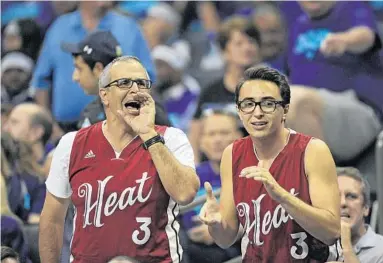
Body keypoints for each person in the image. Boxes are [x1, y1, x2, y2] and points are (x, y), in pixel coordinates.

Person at [39, 56, 200, 263]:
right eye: (124, 83)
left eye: (142, 83)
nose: (136, 90)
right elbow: (51, 219)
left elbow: (186, 193)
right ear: (104, 95)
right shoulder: (72, 144)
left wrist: (148, 134)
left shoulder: (171, 138)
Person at [199, 67, 342, 262]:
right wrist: (215, 224)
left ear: (285, 109)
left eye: (267, 104)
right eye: (248, 104)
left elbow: (331, 232)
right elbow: (225, 239)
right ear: (239, 112)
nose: (257, 113)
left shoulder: (313, 151)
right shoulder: (232, 154)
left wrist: (282, 196)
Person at [61, 30, 171, 129]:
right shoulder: (91, 111)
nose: (74, 77)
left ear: (98, 69)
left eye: (79, 69)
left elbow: (171, 148)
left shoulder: (147, 110)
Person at [334, 167, 383, 263]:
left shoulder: (381, 250)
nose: (342, 203)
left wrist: (346, 246)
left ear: (366, 208)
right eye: (336, 196)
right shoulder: (317, 249)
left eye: (351, 196)